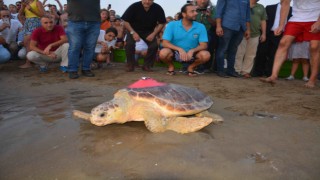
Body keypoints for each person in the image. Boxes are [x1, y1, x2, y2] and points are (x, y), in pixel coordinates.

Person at [260, 0, 320, 88]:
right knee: (283, 43)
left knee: (314, 47)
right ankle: (273, 75)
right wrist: (281, 25)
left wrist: (318, 22)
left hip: (315, 18)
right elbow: (285, 3)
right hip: (296, 18)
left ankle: (312, 79)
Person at [159, 3, 210, 77]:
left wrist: (192, 50)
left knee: (206, 55)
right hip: (175, 52)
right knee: (163, 53)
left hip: (192, 53)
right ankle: (171, 66)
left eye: (196, 11)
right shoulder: (172, 25)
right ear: (184, 14)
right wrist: (179, 49)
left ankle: (191, 67)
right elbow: (164, 43)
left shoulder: (201, 26)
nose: (196, 13)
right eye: (192, 11)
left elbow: (204, 45)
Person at [121, 0, 166, 72]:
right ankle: (130, 64)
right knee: (129, 44)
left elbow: (162, 23)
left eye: (150, 0)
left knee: (154, 45)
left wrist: (154, 34)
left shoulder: (158, 8)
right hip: (133, 29)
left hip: (148, 31)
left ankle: (147, 65)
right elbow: (125, 21)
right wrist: (133, 33)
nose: (147, 2)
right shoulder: (134, 6)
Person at [215, 0, 251, 78]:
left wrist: (247, 29)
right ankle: (220, 70)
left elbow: (247, 15)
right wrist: (218, 26)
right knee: (222, 49)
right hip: (227, 26)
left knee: (233, 50)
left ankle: (230, 71)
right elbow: (219, 11)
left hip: (241, 28)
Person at [67, 0, 101, 79]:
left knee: (90, 47)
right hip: (75, 21)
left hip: (94, 22)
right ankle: (72, 70)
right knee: (75, 46)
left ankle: (86, 68)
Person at [234, 0, 267, 78]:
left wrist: (264, 33)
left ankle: (245, 72)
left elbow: (263, 20)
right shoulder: (242, 3)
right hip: (241, 32)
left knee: (251, 54)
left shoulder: (261, 7)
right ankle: (236, 70)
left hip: (255, 34)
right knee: (239, 52)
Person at [18, 0, 45, 68]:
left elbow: (42, 14)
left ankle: (29, 62)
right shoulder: (26, 3)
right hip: (27, 22)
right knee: (26, 43)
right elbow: (20, 14)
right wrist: (23, 6)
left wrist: (31, 9)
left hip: (35, 21)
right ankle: (31, 61)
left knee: (30, 42)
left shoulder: (37, 2)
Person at [194, 0, 217, 73]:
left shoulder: (213, 9)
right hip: (193, 32)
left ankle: (204, 67)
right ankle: (188, 65)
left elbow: (215, 25)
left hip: (208, 32)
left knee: (208, 44)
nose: (202, 1)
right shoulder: (191, 7)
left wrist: (208, 16)